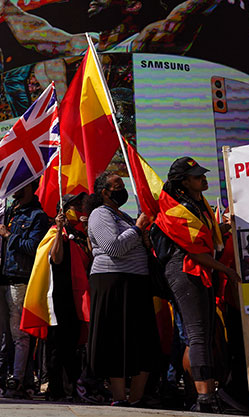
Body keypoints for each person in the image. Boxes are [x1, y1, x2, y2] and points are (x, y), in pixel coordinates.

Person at [156, 157, 239, 413]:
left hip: (199, 270)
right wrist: (227, 270)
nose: (203, 179)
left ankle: (198, 393)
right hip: (185, 271)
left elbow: (207, 238)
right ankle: (204, 398)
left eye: (203, 174)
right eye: (197, 176)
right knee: (197, 335)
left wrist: (225, 227)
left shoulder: (198, 203)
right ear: (183, 182)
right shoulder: (178, 209)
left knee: (199, 337)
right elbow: (195, 250)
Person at [0, 0, 224, 57]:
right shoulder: (84, 44)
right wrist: (9, 10)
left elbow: (192, 10)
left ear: (133, 5)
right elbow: (35, 34)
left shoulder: (145, 41)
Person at [86, 171, 156, 407]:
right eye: (117, 186)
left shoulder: (123, 216)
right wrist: (137, 229)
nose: (122, 190)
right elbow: (114, 247)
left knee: (143, 340)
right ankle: (119, 396)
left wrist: (143, 236)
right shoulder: (99, 214)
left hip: (137, 281)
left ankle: (136, 397)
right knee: (116, 338)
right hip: (113, 280)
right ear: (104, 192)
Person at [0, 181, 48, 399]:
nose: (14, 188)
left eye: (19, 184)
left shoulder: (37, 216)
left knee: (19, 334)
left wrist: (9, 236)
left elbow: (34, 248)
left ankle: (17, 379)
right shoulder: (6, 212)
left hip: (19, 280)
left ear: (30, 186)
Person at [42, 192, 91, 401]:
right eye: (74, 206)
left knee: (73, 344)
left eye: (80, 205)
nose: (79, 208)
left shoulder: (78, 233)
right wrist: (59, 228)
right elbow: (57, 258)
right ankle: (55, 389)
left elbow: (90, 256)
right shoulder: (54, 232)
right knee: (56, 345)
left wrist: (87, 230)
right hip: (59, 296)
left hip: (77, 295)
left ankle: (73, 386)